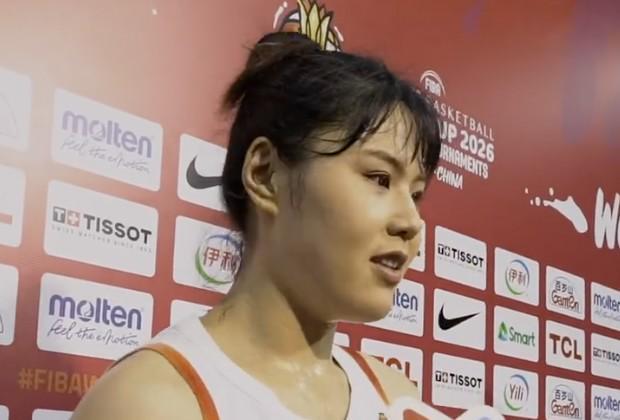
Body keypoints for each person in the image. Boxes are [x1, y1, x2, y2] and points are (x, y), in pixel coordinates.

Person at [71, 31, 442, 420]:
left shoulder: (396, 398)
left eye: (416, 194)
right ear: (264, 174)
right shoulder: (148, 403)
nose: (411, 223)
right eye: (380, 178)